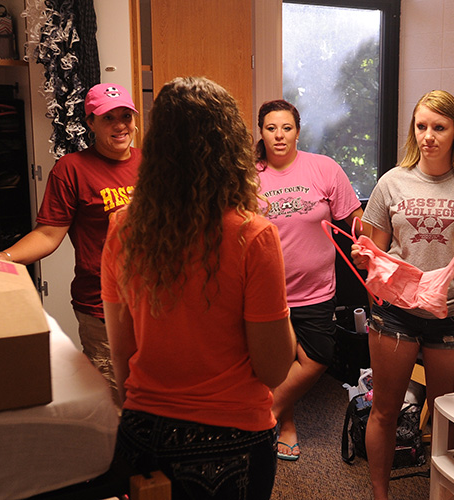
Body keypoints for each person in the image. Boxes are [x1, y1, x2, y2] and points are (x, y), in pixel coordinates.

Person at [101, 76, 296, 500]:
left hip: (142, 430)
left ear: (155, 150)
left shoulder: (123, 228)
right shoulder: (253, 236)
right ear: (233, 149)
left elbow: (120, 350)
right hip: (231, 440)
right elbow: (275, 369)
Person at [352, 89, 454, 500]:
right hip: (396, 310)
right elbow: (377, 253)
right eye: (421, 127)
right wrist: (364, 253)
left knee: (446, 413)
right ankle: (379, 493)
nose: (429, 136)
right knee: (385, 409)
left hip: (453, 312)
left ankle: (443, 492)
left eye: (439, 127)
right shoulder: (392, 182)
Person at [0, 82, 141, 408]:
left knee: (159, 398)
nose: (120, 125)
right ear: (90, 123)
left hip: (156, 305)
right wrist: (5, 257)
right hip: (102, 308)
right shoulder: (71, 169)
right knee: (116, 406)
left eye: (126, 115)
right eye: (108, 118)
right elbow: (48, 234)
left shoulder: (153, 165)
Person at [254, 99, 363, 461]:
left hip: (317, 290)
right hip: (267, 291)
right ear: (262, 133)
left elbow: (354, 218)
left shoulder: (324, 168)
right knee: (277, 364)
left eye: (286, 127)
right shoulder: (249, 175)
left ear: (298, 131)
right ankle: (286, 427)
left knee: (319, 356)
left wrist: (370, 239)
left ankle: (264, 416)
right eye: (271, 128)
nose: (279, 135)